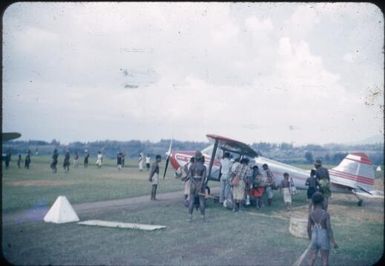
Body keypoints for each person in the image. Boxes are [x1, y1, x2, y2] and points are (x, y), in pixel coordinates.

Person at [307, 192, 338, 266]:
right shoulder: (326, 214)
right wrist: (333, 242)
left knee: (313, 257)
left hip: (314, 237)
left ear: (313, 202)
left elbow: (308, 228)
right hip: (323, 238)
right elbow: (329, 229)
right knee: (325, 259)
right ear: (322, 202)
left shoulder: (311, 214)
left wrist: (310, 238)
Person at [186, 151, 207, 222]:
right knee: (201, 201)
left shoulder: (192, 166)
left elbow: (190, 177)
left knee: (191, 201)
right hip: (200, 184)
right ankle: (203, 218)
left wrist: (195, 183)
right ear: (201, 158)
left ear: (195, 158)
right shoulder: (203, 167)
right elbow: (203, 178)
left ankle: (189, 218)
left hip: (193, 185)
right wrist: (200, 185)